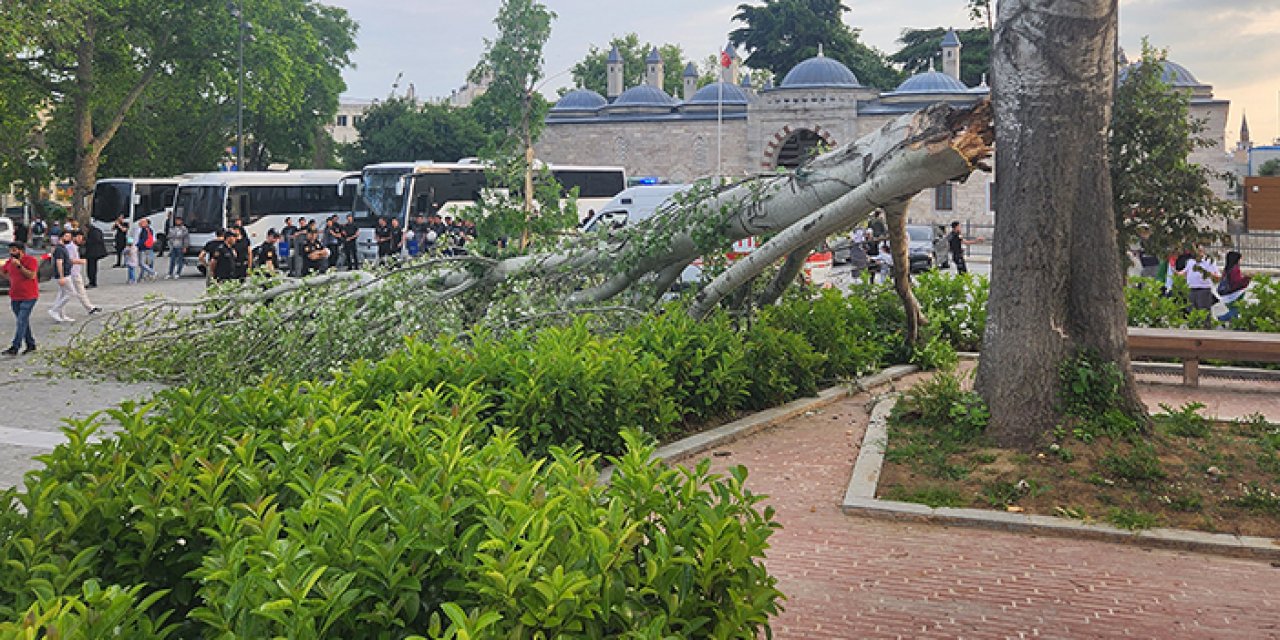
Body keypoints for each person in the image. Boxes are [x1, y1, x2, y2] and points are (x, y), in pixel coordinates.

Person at [3, 242, 40, 355]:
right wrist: (10, 278)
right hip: (15, 296)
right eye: (10, 250)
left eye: (14, 250)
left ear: (21, 251)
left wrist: (19, 266)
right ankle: (31, 344)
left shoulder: (31, 260)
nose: (12, 253)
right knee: (23, 322)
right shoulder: (9, 262)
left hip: (29, 295)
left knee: (21, 320)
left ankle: (15, 346)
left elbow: (31, 275)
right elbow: (4, 271)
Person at [67, 230, 101, 317]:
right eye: (78, 237)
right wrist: (80, 261)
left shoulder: (74, 247)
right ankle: (89, 307)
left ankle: (90, 307)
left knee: (78, 291)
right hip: (73, 272)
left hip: (75, 271)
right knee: (75, 292)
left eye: (81, 238)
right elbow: (69, 260)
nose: (80, 239)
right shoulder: (71, 247)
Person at [1178, 244, 1219, 315]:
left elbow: (1217, 276)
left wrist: (1206, 273)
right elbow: (1185, 272)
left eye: (1200, 250)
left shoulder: (1209, 261)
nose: (1198, 252)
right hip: (1191, 290)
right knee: (1192, 313)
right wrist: (1177, 274)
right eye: (1197, 251)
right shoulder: (1190, 261)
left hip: (1203, 290)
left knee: (1204, 313)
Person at [47, 230, 76, 323]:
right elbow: (59, 262)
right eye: (67, 236)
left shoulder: (62, 248)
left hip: (66, 273)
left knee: (62, 294)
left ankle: (62, 315)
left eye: (70, 237)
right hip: (64, 275)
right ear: (61, 237)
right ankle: (54, 310)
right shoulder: (59, 249)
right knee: (71, 293)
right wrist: (61, 276)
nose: (69, 238)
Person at [1216, 250, 1251, 323]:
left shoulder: (1227, 269)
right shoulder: (1235, 269)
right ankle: (1222, 318)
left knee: (1234, 311)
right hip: (1234, 295)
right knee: (1236, 310)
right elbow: (1236, 283)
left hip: (1226, 295)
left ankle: (1234, 324)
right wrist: (1247, 278)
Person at [83, 222, 108, 287]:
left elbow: (95, 240)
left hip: (92, 253)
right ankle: (93, 281)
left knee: (91, 268)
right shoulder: (98, 230)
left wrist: (86, 241)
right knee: (93, 267)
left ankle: (92, 282)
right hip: (96, 253)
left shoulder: (92, 232)